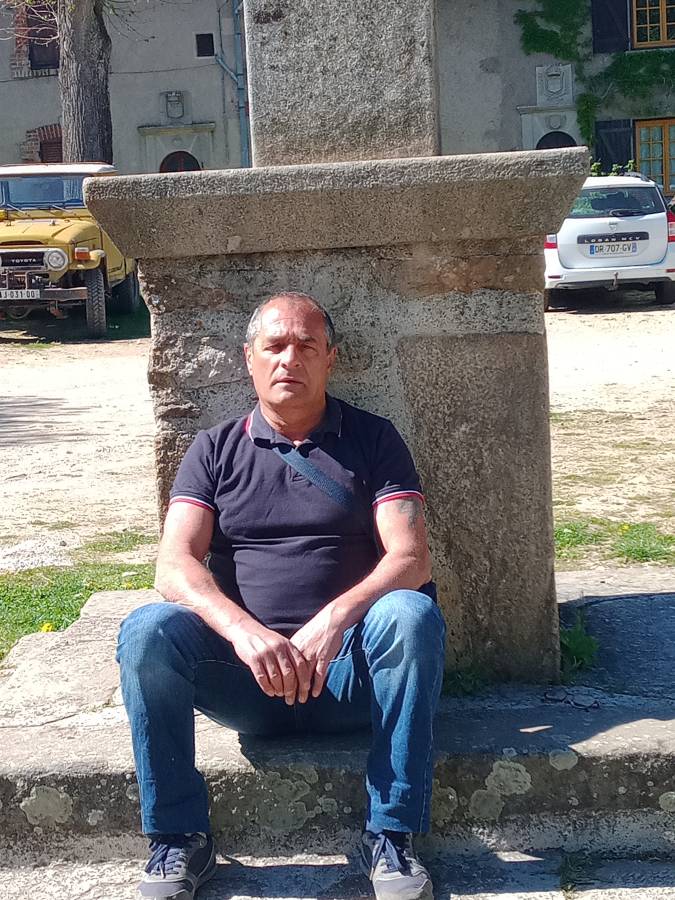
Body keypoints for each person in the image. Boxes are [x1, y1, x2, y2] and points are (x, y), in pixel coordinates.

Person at [117, 291, 446, 900]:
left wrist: (333, 622)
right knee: (147, 631)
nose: (289, 359)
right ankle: (178, 837)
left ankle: (391, 837)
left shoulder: (374, 440)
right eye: (274, 346)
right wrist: (245, 633)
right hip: (246, 683)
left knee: (410, 613)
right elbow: (174, 564)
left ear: (330, 359)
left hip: (348, 676)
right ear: (250, 358)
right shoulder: (213, 449)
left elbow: (411, 558)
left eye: (306, 346)